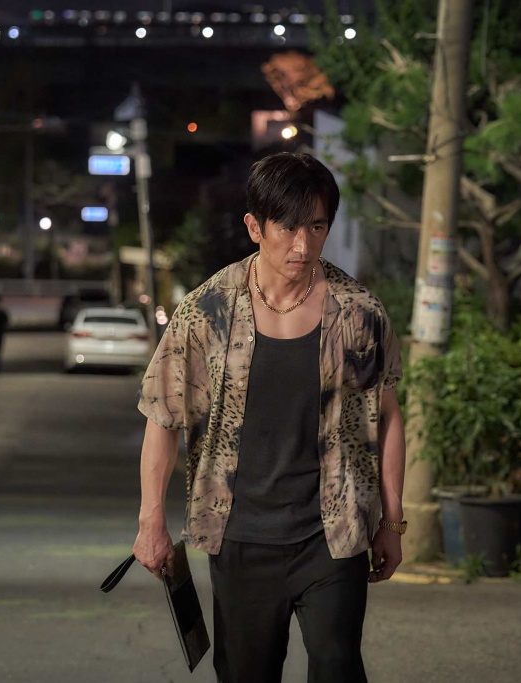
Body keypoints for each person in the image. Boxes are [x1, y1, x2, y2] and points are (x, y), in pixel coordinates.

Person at [133, 152, 406, 682]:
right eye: (288, 227)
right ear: (255, 227)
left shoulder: (359, 313)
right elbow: (162, 418)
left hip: (333, 533)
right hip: (240, 536)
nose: (303, 245)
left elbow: (389, 418)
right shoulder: (206, 311)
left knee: (338, 667)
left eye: (317, 226)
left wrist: (392, 522)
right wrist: (151, 522)